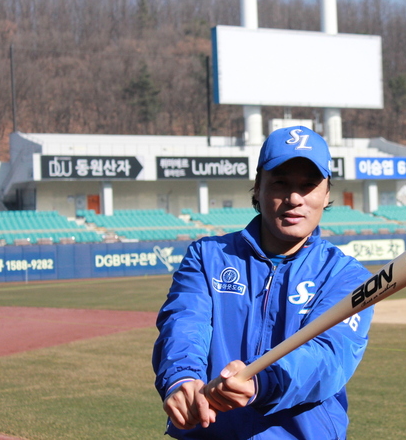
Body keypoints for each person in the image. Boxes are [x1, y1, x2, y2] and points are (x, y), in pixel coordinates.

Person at [152, 125, 375, 439]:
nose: (295, 198)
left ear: (327, 195)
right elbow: (185, 323)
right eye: (281, 183)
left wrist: (261, 380)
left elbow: (328, 356)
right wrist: (182, 378)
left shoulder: (346, 277)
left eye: (309, 185)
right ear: (258, 188)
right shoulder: (207, 257)